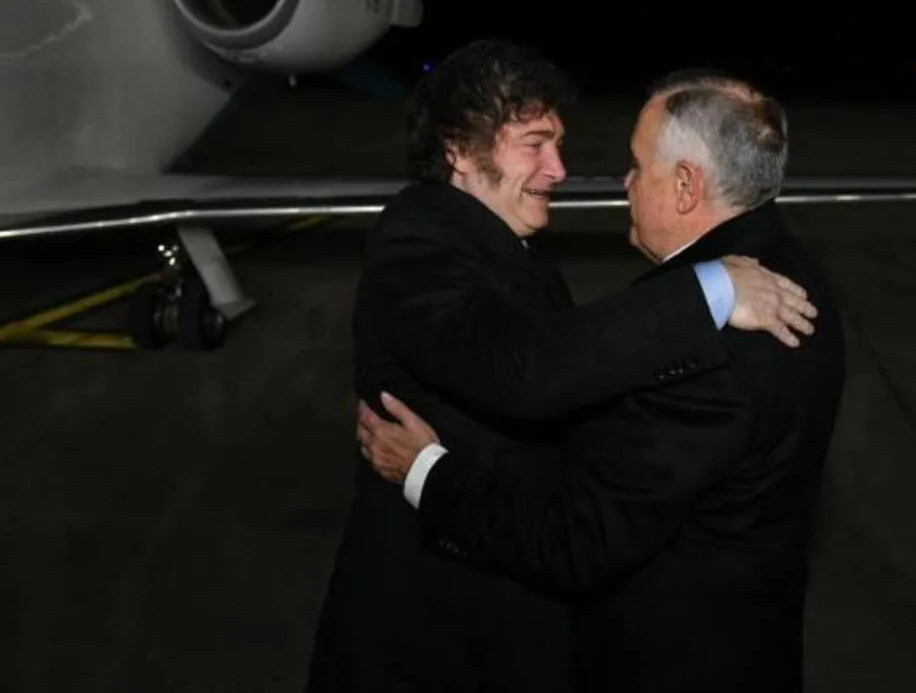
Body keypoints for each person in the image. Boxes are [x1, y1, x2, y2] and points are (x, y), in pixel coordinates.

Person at [304, 41, 819, 692]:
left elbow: (577, 378)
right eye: (534, 144)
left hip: (509, 603)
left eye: (557, 144)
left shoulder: (505, 242)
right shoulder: (418, 245)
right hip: (433, 631)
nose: (559, 168)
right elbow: (523, 370)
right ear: (459, 150)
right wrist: (704, 294)